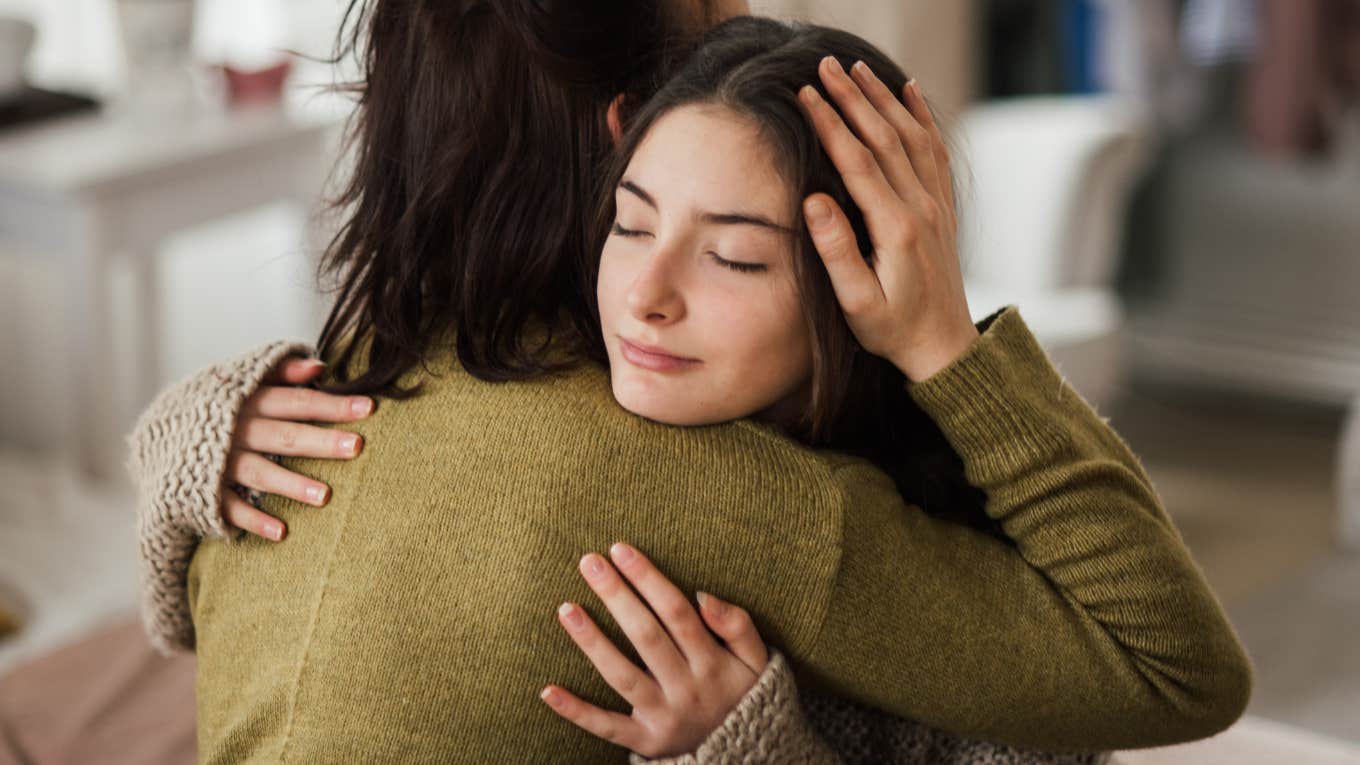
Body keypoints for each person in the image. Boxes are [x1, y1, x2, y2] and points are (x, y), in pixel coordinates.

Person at [127, 8, 1251, 765]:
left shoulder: (347, 371)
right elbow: (1170, 667)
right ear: (622, 133)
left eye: (737, 254)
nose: (653, 295)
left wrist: (172, 440)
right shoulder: (729, 496)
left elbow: (176, 622)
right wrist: (950, 350)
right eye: (633, 221)